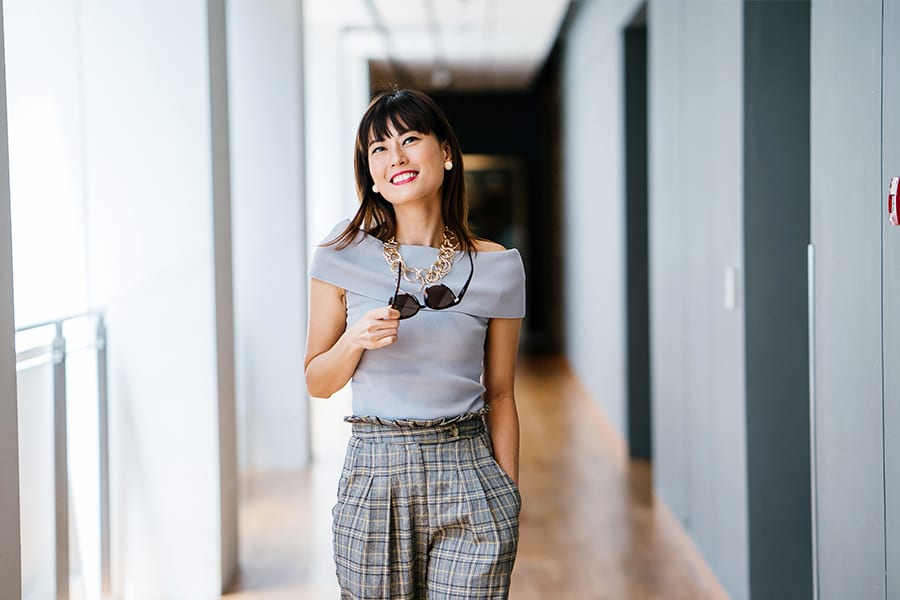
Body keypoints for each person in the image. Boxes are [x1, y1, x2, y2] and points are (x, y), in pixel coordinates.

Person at [304, 88, 526, 599]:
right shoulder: (340, 254)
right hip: (376, 475)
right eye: (378, 149)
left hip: (469, 471)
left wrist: (508, 496)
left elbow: (501, 394)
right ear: (370, 172)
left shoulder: (496, 266)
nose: (395, 157)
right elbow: (318, 381)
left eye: (409, 139)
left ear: (445, 153)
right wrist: (355, 340)